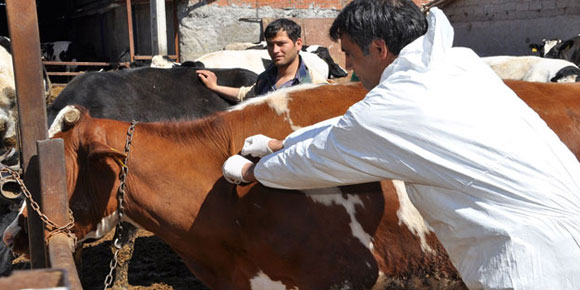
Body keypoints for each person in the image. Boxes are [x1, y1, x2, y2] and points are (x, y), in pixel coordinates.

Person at [221, 0, 580, 289]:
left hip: (528, 263)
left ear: (379, 48)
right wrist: (280, 142)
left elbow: (323, 156)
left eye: (349, 53)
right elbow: (357, 125)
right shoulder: (455, 64)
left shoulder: (397, 107)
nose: (347, 65)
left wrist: (255, 169)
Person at [197, 18, 327, 103]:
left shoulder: (315, 86)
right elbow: (245, 94)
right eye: (271, 45)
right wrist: (214, 87)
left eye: (281, 44)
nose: (275, 50)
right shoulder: (265, 78)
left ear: (298, 44)